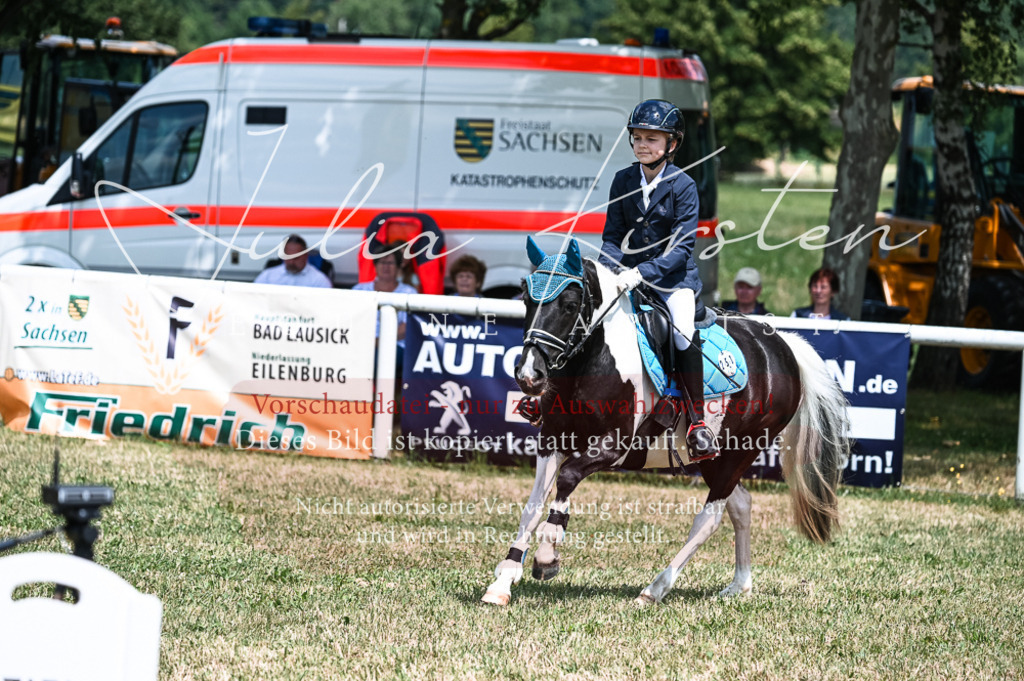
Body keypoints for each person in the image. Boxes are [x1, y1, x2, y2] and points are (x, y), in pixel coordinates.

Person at [598, 99, 718, 461]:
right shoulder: (623, 180)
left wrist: (641, 273)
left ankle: (697, 422)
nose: (642, 145)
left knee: (681, 331)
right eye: (637, 137)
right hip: (629, 277)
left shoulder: (684, 185)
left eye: (651, 139)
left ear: (672, 143)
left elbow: (681, 250)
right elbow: (612, 237)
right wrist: (604, 271)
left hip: (673, 282)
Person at [354, 247, 418, 372]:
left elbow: (406, 327)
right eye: (382, 262)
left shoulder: (409, 292)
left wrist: (378, 342)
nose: (385, 267)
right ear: (375, 265)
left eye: (390, 263)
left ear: (398, 267)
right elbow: (352, 322)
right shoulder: (359, 290)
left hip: (395, 345)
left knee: (376, 360)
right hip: (361, 343)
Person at [254, 234, 332, 288]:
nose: (291, 262)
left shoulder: (319, 280)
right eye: (288, 257)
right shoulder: (267, 276)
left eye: (296, 258)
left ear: (305, 255)